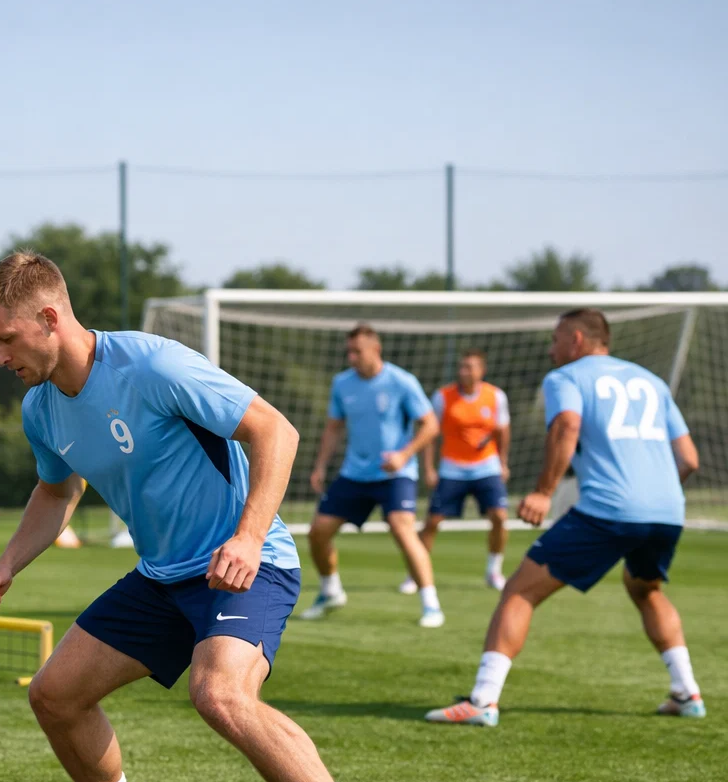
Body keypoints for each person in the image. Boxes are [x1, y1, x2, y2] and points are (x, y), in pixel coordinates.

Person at [0, 252, 406, 782]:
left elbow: (274, 431)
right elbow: (58, 492)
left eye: (5, 339)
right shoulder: (41, 408)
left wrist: (250, 537)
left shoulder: (152, 365)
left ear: (49, 319)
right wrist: (6, 564)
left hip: (247, 563)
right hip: (163, 577)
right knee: (55, 695)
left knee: (220, 694)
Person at [428, 309, 702, 726]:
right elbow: (689, 459)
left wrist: (542, 492)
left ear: (577, 339)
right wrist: (653, 496)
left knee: (520, 591)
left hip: (609, 507)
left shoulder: (567, 377)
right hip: (667, 510)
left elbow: (567, 426)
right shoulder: (653, 381)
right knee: (646, 590)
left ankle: (482, 702)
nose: (551, 348)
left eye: (556, 339)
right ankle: (687, 693)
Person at [301, 325, 443, 627]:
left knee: (401, 528)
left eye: (357, 352)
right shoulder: (342, 384)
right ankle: (331, 592)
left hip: (396, 473)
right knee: (318, 532)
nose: (351, 357)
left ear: (375, 350)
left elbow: (430, 425)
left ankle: (431, 604)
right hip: (355, 473)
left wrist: (404, 454)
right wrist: (320, 466)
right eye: (348, 352)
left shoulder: (402, 381)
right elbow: (333, 427)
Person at [400, 350, 511, 594]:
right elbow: (430, 433)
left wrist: (503, 463)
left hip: (486, 466)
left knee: (500, 517)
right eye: (461, 367)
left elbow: (502, 432)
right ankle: (415, 575)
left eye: (470, 367)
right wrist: (429, 468)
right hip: (452, 468)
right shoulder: (443, 397)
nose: (464, 372)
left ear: (481, 371)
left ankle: (494, 570)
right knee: (432, 522)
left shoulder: (496, 396)